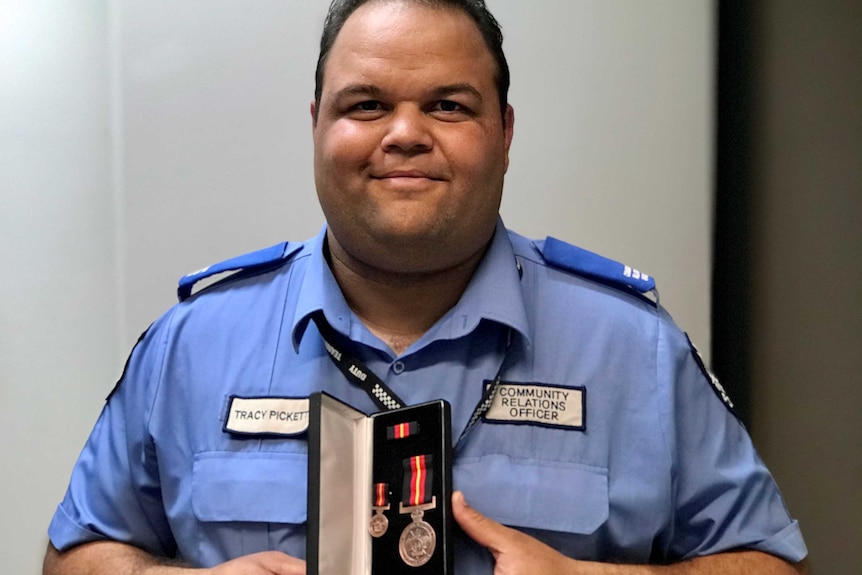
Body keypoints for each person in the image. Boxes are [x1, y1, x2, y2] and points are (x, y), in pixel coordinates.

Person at [43, 0, 809, 574]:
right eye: (366, 104)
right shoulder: (193, 343)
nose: (404, 132)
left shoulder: (633, 349)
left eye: (447, 104)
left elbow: (770, 561)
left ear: (505, 133)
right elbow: (73, 555)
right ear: (317, 126)